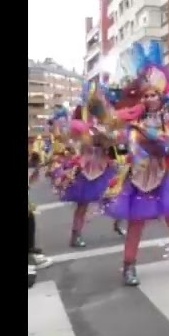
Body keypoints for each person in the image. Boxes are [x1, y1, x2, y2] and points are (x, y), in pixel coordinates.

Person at [101, 42, 169, 286]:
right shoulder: (134, 119)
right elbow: (116, 126)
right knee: (136, 223)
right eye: (146, 95)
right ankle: (128, 267)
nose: (150, 98)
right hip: (139, 173)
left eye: (154, 94)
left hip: (164, 172)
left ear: (162, 95)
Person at [56, 85, 119, 249]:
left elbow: (113, 145)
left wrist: (110, 144)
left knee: (117, 196)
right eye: (94, 105)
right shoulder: (82, 126)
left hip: (104, 167)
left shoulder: (107, 124)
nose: (98, 108)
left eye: (100, 105)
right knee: (83, 204)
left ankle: (118, 223)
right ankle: (75, 235)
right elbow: (76, 143)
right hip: (86, 169)